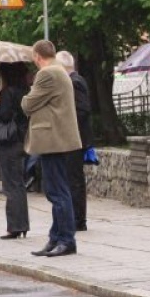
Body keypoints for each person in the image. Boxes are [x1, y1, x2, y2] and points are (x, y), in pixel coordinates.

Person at [21, 40, 82, 258]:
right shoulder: (60, 70)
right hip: (56, 138)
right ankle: (56, 237)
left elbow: (27, 105)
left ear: (37, 56)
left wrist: (27, 96)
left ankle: (66, 239)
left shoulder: (47, 74)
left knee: (57, 192)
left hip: (52, 138)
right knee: (57, 189)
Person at [0, 62, 30, 240]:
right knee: (18, 183)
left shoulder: (8, 92)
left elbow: (4, 115)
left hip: (9, 142)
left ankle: (16, 226)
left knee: (11, 185)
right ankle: (21, 225)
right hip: (21, 139)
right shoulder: (25, 90)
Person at [57, 51, 92, 231]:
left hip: (74, 139)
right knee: (71, 178)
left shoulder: (74, 82)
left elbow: (82, 110)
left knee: (74, 179)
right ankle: (75, 217)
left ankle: (79, 220)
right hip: (72, 138)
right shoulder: (74, 81)